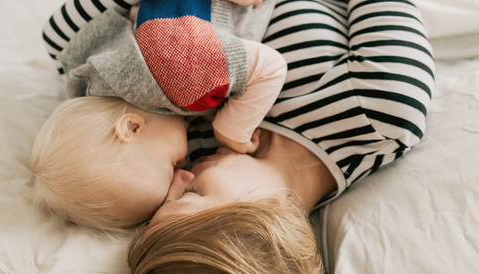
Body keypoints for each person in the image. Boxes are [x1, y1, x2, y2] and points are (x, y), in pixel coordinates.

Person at [128, 0, 435, 272]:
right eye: (191, 195)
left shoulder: (196, 146)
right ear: (269, 208)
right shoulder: (382, 109)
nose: (175, 177)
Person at [31, 0, 285, 233]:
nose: (185, 170)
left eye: (173, 165)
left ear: (131, 127)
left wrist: (232, 132)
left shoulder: (181, 81)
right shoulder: (91, 69)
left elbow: (271, 67)